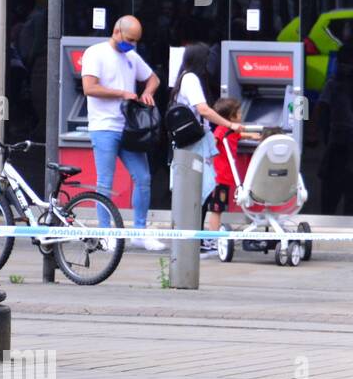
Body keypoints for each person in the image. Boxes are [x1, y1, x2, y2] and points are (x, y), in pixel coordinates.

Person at [81, 15, 163, 250]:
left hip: (128, 127)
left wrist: (148, 92)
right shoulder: (96, 53)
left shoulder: (131, 56)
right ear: (117, 31)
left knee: (143, 178)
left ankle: (139, 230)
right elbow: (89, 87)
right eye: (129, 39)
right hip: (104, 126)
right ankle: (105, 232)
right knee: (105, 181)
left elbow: (153, 78)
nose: (131, 44)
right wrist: (122, 93)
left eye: (135, 41)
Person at [172, 44, 244, 255]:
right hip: (194, 143)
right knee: (201, 193)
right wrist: (229, 124)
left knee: (197, 192)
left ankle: (195, 241)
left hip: (188, 143)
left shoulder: (183, 77)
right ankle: (199, 242)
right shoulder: (191, 79)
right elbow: (203, 109)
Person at [318, 43, 353, 216]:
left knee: (352, 187)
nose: (345, 66)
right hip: (338, 139)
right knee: (332, 185)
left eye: (348, 62)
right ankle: (328, 218)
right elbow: (321, 109)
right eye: (342, 62)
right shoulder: (333, 84)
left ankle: (348, 219)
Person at [203, 97, 261, 254]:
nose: (241, 114)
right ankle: (212, 239)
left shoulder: (231, 129)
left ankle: (212, 237)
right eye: (239, 112)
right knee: (216, 209)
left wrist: (252, 136)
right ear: (231, 117)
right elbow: (215, 140)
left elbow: (238, 135)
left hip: (225, 177)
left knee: (219, 208)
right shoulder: (221, 129)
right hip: (218, 177)